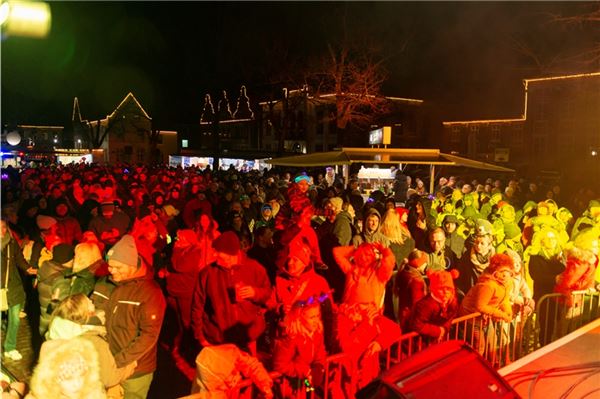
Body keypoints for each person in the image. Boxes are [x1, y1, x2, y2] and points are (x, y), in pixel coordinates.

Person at [91, 234, 166, 399]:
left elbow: (148, 336)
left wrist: (117, 364)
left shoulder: (150, 293)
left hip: (135, 370)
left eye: (118, 267)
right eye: (110, 266)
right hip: (104, 363)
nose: (112, 271)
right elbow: (93, 316)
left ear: (132, 265)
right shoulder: (103, 283)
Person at [191, 231, 271, 355]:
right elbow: (197, 306)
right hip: (219, 337)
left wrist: (255, 292)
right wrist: (199, 335)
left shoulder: (254, 268)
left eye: (221, 257)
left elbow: (267, 294)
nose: (217, 260)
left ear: (233, 254)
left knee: (246, 371)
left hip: (247, 334)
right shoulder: (208, 273)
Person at [46, 294, 137, 391]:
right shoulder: (93, 341)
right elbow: (109, 378)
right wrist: (130, 366)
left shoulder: (53, 336)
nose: (91, 300)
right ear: (86, 312)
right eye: (88, 301)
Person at [272, 298, 328, 398]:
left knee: (311, 395)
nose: (316, 321)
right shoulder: (291, 337)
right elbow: (279, 365)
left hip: (305, 382)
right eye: (311, 317)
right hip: (290, 387)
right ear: (299, 318)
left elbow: (321, 353)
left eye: (317, 316)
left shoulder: (317, 333)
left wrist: (318, 367)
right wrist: (304, 371)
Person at [25, 337, 106, 399]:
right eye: (68, 378)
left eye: (81, 375)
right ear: (53, 380)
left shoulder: (93, 395)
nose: (76, 384)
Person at [1, 219, 33, 361]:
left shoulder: (11, 243)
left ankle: (10, 347)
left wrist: (28, 268)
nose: (2, 230)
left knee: (14, 320)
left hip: (12, 286)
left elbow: (19, 258)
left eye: (3, 227)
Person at [190, 344, 273, 398]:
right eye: (227, 380)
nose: (234, 380)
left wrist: (265, 386)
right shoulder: (210, 394)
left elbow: (252, 365)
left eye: (232, 373)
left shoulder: (231, 354)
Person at [409, 269, 460, 344]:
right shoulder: (425, 304)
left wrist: (444, 328)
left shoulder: (452, 302)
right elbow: (417, 325)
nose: (445, 292)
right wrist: (438, 331)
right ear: (433, 289)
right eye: (441, 288)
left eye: (448, 289)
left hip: (437, 341)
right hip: (422, 343)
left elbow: (451, 316)